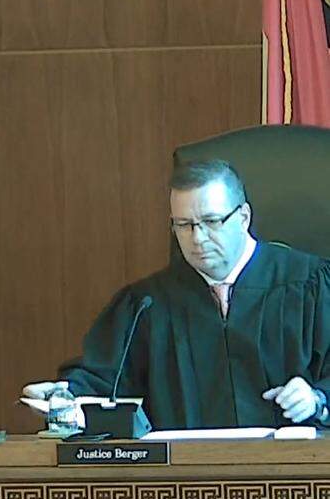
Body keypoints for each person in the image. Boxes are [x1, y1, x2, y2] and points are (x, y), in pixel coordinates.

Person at [24, 159, 329, 429]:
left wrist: (318, 398)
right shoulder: (148, 305)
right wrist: (63, 395)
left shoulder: (311, 286)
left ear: (244, 217)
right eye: (184, 225)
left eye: (211, 222)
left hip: (294, 472)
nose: (198, 238)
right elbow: (105, 379)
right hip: (182, 477)